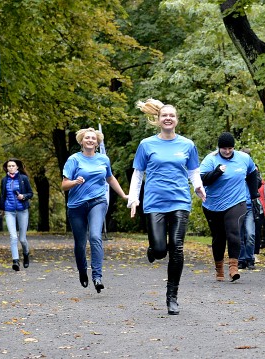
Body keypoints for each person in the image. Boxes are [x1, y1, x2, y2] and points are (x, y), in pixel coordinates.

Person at [129, 98, 205, 315]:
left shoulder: (187, 145)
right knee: (161, 250)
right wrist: (133, 198)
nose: (168, 118)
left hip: (180, 200)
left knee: (177, 247)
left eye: (172, 115)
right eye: (165, 115)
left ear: (176, 120)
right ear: (158, 120)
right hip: (154, 202)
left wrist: (198, 187)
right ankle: (154, 249)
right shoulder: (146, 145)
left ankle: (172, 297)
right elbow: (138, 174)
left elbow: (193, 171)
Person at [62, 128, 128, 293]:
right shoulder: (74, 159)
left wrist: (123, 195)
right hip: (76, 205)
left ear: (97, 143)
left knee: (95, 236)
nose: (90, 140)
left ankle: (97, 276)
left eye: (93, 138)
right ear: (82, 141)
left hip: (98, 202)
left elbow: (110, 178)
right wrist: (75, 182)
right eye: (87, 138)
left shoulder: (103, 159)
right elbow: (64, 185)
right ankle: (82, 270)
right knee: (80, 243)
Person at [200, 132, 259, 282]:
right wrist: (217, 172)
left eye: (230, 148)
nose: (227, 151)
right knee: (219, 237)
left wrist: (254, 194)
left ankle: (234, 267)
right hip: (213, 204)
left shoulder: (244, 158)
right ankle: (219, 269)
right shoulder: (210, 159)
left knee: (233, 232)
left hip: (237, 202)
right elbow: (202, 180)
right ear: (219, 148)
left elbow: (252, 174)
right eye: (224, 148)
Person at [0, 158, 34, 272]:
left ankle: (26, 254)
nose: (11, 168)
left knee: (22, 239)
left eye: (13, 166)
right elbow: (2, 195)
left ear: (17, 167)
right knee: (13, 237)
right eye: (9, 166)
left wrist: (23, 196)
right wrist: (2, 208)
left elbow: (30, 193)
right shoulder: (4, 180)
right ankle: (15, 261)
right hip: (9, 211)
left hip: (22, 210)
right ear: (7, 168)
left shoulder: (23, 179)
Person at [238, 149, 261, 270]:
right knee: (239, 236)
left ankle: (250, 258)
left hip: (249, 206)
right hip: (237, 206)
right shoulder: (236, 169)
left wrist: (252, 174)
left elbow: (258, 184)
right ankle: (241, 260)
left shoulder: (253, 170)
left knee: (250, 234)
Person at [253, 167, 265, 259]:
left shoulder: (263, 183)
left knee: (257, 233)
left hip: (260, 211)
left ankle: (255, 253)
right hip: (249, 210)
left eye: (257, 171)